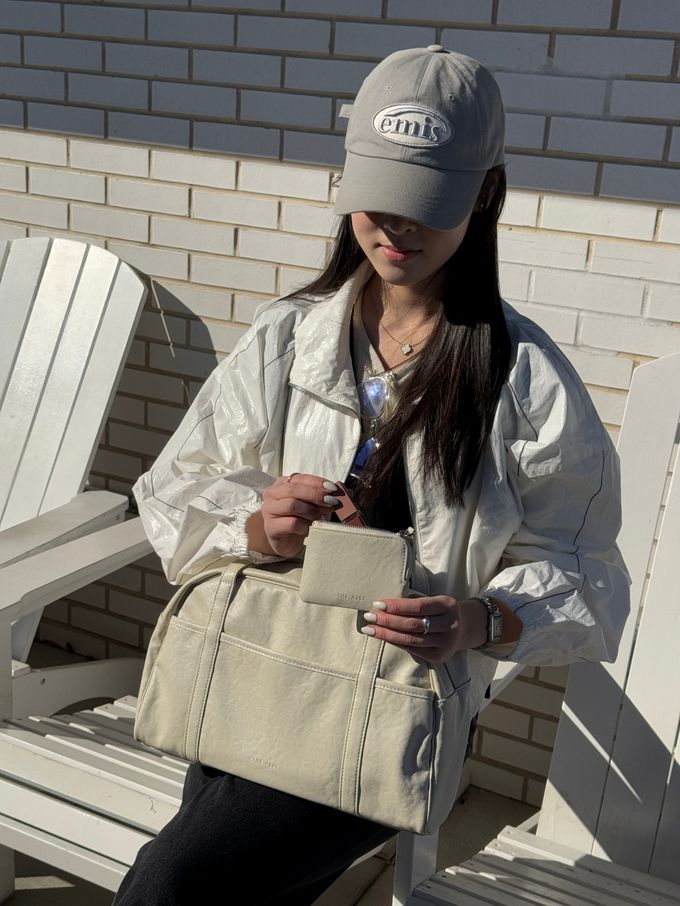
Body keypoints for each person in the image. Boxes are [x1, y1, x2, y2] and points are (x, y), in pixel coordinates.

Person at [114, 46, 630, 905]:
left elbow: (590, 575)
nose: (396, 227)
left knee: (171, 883)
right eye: (378, 195)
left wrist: (478, 619)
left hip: (391, 709)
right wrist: (258, 524)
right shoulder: (290, 337)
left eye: (426, 203)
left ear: (486, 195)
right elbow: (175, 488)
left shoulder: (525, 379)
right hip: (256, 669)